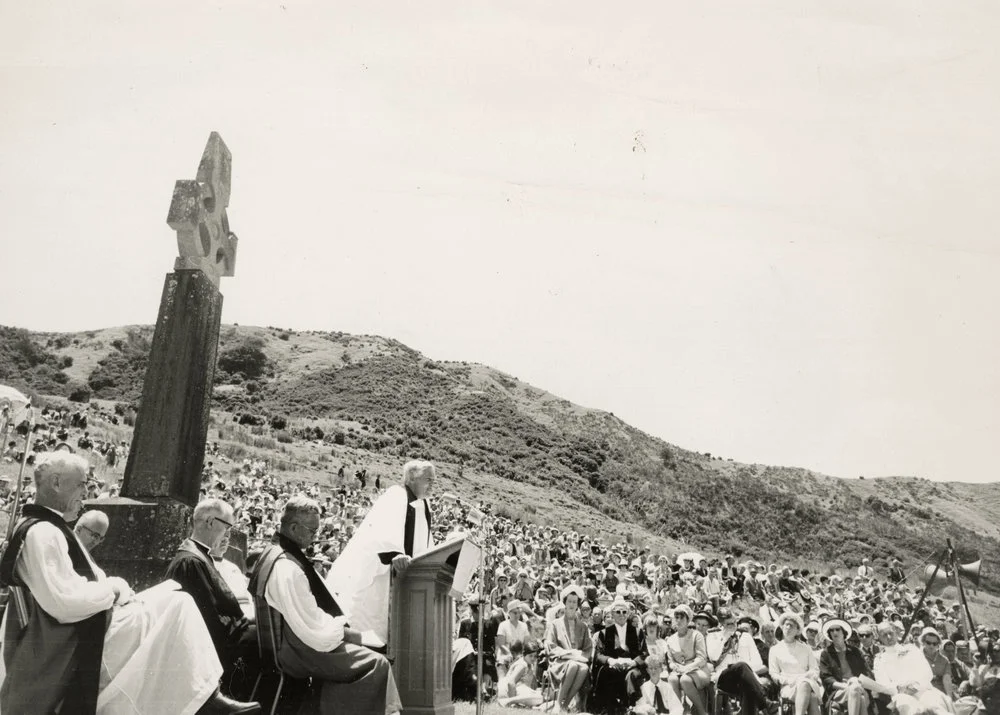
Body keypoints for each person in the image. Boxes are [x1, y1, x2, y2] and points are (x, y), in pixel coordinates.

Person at [0, 451, 259, 714]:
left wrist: (115, 586)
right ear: (56, 483)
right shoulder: (43, 531)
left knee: (175, 598)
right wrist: (112, 590)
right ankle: (205, 699)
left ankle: (204, 696)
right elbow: (63, 602)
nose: (87, 491)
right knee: (178, 605)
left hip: (85, 625)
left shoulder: (52, 527)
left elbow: (81, 585)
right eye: (82, 483)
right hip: (72, 640)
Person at [250, 495, 401, 715]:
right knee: (376, 663)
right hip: (298, 650)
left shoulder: (273, 553)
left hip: (290, 643)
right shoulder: (287, 567)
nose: (315, 536)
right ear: (293, 527)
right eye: (311, 531)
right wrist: (351, 634)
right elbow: (315, 634)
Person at [325, 459, 436, 643]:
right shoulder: (397, 495)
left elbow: (425, 544)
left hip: (407, 579)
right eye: (428, 479)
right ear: (412, 478)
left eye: (433, 480)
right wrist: (395, 553)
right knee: (370, 626)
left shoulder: (423, 505)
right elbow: (383, 530)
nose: (432, 484)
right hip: (382, 574)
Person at [166, 498, 255, 687]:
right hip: (209, 650)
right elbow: (212, 621)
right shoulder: (192, 561)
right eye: (227, 527)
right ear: (211, 522)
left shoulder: (198, 556)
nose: (228, 534)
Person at [592, 598, 648, 715]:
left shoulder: (638, 632)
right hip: (613, 666)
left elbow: (644, 653)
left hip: (632, 666)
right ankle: (611, 708)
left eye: (624, 612)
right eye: (618, 612)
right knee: (607, 673)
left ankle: (632, 708)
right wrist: (610, 660)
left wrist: (633, 662)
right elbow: (598, 654)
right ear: (612, 614)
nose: (621, 615)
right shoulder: (604, 633)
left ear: (628, 614)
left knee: (632, 675)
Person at [546, 585, 593, 714]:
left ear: (578, 604)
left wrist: (582, 656)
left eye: (574, 602)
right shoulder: (555, 624)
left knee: (584, 668)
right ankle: (558, 703)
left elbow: (588, 648)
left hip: (579, 660)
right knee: (573, 665)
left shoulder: (583, 626)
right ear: (565, 603)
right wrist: (571, 654)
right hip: (560, 661)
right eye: (569, 601)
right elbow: (551, 646)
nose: (572, 604)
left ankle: (565, 705)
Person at [768, 612, 822, 715]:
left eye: (792, 626)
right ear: (782, 627)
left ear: (798, 631)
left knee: (805, 684)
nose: (788, 627)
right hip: (788, 685)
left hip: (807, 681)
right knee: (812, 698)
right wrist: (787, 681)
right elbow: (773, 673)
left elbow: (814, 669)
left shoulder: (806, 648)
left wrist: (807, 677)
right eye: (786, 624)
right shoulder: (774, 650)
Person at [818, 619, 873, 715]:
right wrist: (847, 686)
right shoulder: (826, 654)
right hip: (838, 690)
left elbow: (867, 672)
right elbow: (826, 678)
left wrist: (858, 681)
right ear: (829, 634)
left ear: (844, 632)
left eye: (837, 629)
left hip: (859, 686)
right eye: (831, 630)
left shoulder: (855, 651)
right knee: (859, 695)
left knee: (860, 694)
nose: (834, 632)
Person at [665, 604, 711, 715]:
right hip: (679, 670)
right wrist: (675, 667)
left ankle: (702, 712)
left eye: (682, 617)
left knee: (685, 679)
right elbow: (670, 661)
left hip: (698, 669)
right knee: (672, 679)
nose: (679, 620)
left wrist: (687, 668)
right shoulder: (670, 639)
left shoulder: (696, 635)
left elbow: (701, 658)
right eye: (677, 617)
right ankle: (678, 711)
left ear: (688, 619)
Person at [497, 638, 544, 708]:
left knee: (540, 695)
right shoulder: (522, 665)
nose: (533, 658)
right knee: (539, 698)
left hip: (516, 690)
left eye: (535, 656)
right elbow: (511, 682)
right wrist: (512, 703)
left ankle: (518, 703)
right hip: (508, 692)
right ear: (524, 654)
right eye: (530, 656)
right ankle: (508, 701)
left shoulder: (529, 664)